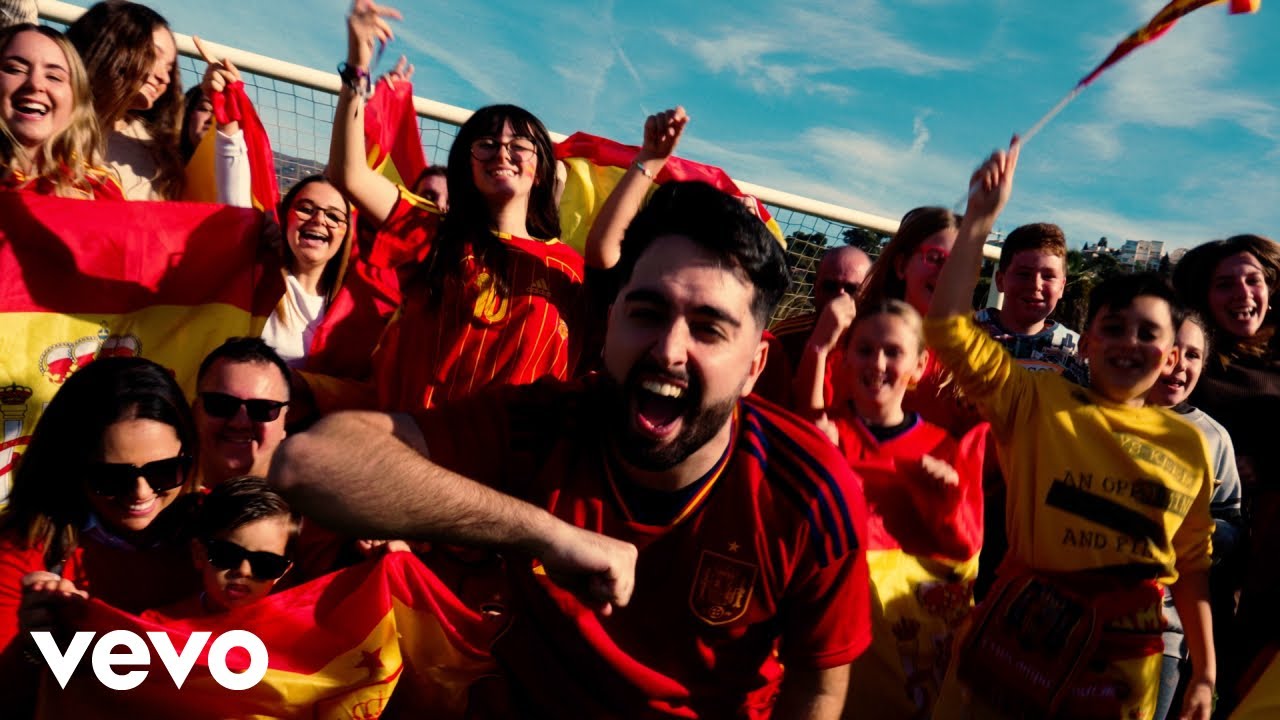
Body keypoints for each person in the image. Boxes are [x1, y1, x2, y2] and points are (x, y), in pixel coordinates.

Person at [270, 181, 873, 719]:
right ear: (609, 326)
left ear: (755, 366)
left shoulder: (810, 490)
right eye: (647, 313)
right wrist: (544, 534)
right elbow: (309, 464)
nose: (669, 350)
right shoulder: (546, 422)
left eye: (709, 328)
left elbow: (818, 687)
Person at [927, 139, 1215, 720]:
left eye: (1148, 333)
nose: (1129, 343)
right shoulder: (1036, 399)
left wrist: (1205, 672)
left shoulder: (1190, 445)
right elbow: (948, 328)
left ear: (1169, 356)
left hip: (1123, 667)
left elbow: (1192, 566)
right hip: (1019, 640)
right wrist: (979, 219)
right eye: (1114, 327)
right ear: (1084, 344)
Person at [311, 0, 584, 415]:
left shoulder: (568, 269)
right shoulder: (434, 234)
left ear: (542, 171)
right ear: (466, 165)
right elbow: (349, 174)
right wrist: (357, 66)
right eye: (486, 144)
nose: (502, 153)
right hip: (417, 442)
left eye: (518, 145)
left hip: (513, 454)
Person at [798, 296, 986, 720]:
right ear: (845, 360)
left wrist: (946, 504)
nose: (878, 363)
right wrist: (818, 348)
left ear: (919, 366)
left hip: (906, 668)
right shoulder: (828, 436)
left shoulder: (943, 448)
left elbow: (963, 552)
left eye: (893, 352)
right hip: (835, 655)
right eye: (865, 350)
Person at [0, 357, 202, 715]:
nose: (140, 493)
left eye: (165, 471)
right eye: (112, 478)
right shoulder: (21, 554)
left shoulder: (229, 533)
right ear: (71, 466)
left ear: (189, 454)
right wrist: (37, 649)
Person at [1172, 233, 1280, 708]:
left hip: (1270, 557)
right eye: (1224, 284)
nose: (1243, 294)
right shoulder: (1189, 360)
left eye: (1253, 280)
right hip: (1200, 552)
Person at [1144, 311, 1244, 720]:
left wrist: (1192, 531)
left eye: (1194, 355)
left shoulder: (1213, 437)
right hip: (1074, 619)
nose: (1180, 365)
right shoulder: (1101, 415)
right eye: (1172, 349)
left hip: (1163, 632)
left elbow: (1231, 524)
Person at [67, 0, 185, 200]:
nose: (165, 78)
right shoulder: (46, 124)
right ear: (109, 49)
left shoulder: (159, 153)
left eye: (169, 67)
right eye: (153, 56)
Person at [0, 23, 121, 198]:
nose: (35, 84)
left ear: (76, 99)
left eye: (54, 77)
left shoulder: (100, 191)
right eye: (15, 69)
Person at [155, 476, 299, 616]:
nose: (243, 571)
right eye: (228, 554)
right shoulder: (159, 626)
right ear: (199, 553)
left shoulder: (296, 628)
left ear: (283, 572)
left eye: (265, 563)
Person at [753, 245, 872, 407]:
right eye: (830, 286)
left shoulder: (879, 346)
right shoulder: (785, 337)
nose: (839, 297)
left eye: (852, 289)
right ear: (815, 287)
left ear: (867, 293)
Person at [259, 175, 357, 368]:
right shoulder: (256, 280)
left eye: (333, 216)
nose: (319, 220)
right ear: (285, 217)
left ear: (346, 233)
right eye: (305, 209)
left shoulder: (357, 307)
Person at [974, 222, 1080, 374]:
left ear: (1062, 287)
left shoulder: (1077, 354)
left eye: (1048, 276)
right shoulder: (965, 333)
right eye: (1023, 274)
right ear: (1000, 280)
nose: (1035, 285)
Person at [192, 337, 290, 487]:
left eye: (261, 409)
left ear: (285, 421)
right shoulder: (156, 495)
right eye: (222, 404)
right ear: (195, 410)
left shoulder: (311, 500)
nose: (239, 423)